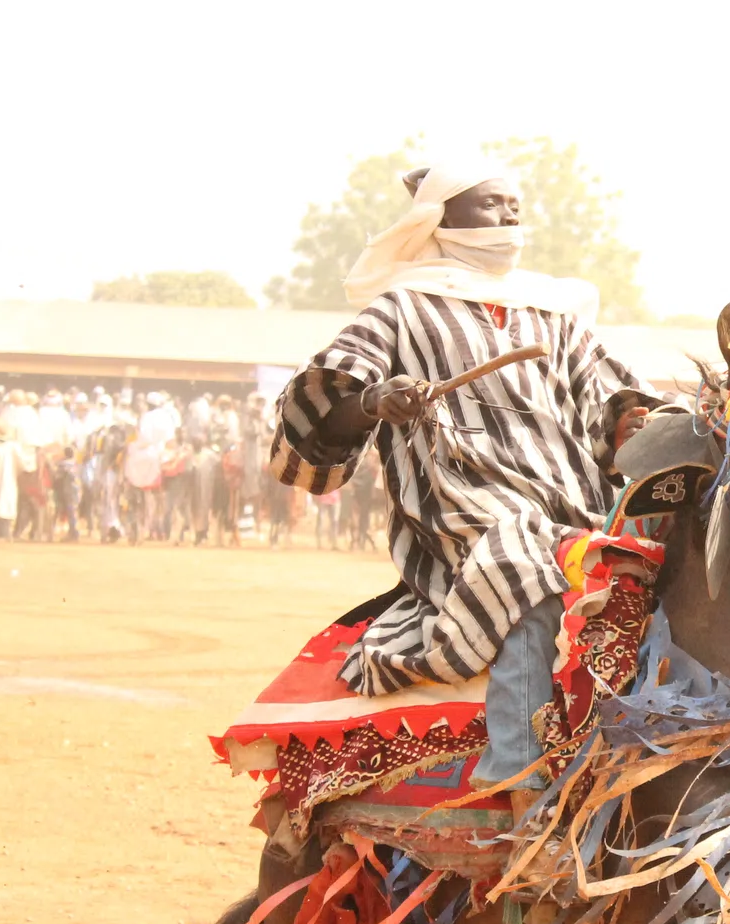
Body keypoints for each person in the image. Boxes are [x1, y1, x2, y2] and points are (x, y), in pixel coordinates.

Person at [268, 160, 659, 824]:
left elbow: (608, 399)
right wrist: (372, 401)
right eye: (491, 206)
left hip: (572, 502)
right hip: (464, 512)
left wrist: (635, 419)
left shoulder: (553, 312)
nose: (509, 217)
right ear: (441, 220)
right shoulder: (402, 308)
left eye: (514, 204)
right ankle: (516, 767)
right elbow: (319, 406)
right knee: (524, 564)